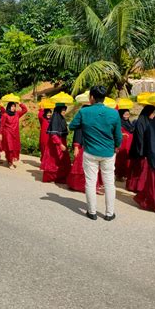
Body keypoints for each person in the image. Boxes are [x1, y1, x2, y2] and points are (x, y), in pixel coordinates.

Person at [69, 86, 122, 221]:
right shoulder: (114, 113)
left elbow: (72, 126)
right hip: (108, 153)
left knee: (90, 182)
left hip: (90, 152)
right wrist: (117, 146)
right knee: (109, 183)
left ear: (91, 97)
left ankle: (91, 212)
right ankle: (109, 213)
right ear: (104, 98)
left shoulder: (84, 112)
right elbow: (118, 136)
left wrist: (86, 123)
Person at [126, 105, 155, 193]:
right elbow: (140, 138)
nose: (153, 115)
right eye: (153, 113)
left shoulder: (148, 121)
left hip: (142, 149)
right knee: (139, 169)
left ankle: (136, 186)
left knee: (140, 170)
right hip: (140, 150)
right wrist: (143, 152)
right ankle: (137, 187)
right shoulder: (141, 122)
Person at [41, 105, 71, 183]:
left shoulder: (62, 119)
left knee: (63, 161)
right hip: (54, 146)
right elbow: (53, 135)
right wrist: (60, 144)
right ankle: (52, 178)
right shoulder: (55, 119)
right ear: (59, 111)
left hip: (62, 143)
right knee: (54, 162)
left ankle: (60, 178)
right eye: (63, 110)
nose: (64, 112)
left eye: (65, 110)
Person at [0, 102, 28, 169]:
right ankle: (10, 163)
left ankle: (9, 159)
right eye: (12, 106)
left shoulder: (17, 114)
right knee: (10, 148)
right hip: (7, 133)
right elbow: (2, 125)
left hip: (15, 134)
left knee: (14, 148)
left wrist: (20, 104)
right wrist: (0, 134)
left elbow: (25, 110)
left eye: (14, 106)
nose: (13, 108)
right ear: (9, 107)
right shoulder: (5, 115)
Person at [115, 109, 134, 180]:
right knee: (121, 160)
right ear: (121, 114)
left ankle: (126, 175)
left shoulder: (129, 123)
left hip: (129, 144)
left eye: (128, 114)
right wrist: (122, 134)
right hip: (122, 144)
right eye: (125, 114)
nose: (127, 116)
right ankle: (119, 175)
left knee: (128, 160)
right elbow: (116, 132)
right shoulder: (118, 123)